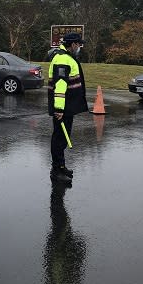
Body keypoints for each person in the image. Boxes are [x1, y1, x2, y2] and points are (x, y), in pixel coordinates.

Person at [48, 32, 88, 182]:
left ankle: (61, 166)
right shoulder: (63, 59)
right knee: (59, 139)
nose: (79, 47)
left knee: (63, 138)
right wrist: (59, 110)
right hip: (63, 108)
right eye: (78, 44)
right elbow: (59, 86)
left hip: (67, 107)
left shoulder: (67, 57)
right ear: (72, 44)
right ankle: (57, 170)